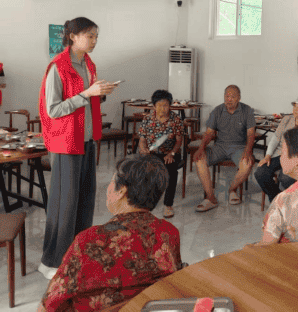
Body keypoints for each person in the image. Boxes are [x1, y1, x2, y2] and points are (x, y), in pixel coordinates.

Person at [38, 154, 182, 312]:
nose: (108, 188)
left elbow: (50, 303)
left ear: (121, 191)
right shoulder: (169, 232)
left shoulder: (90, 240)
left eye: (112, 182)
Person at [38, 17, 118, 279]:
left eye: (96, 36)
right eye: (90, 36)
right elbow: (53, 110)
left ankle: (77, 254)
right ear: (72, 36)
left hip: (87, 141)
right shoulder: (58, 67)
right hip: (66, 143)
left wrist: (99, 93)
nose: (94, 41)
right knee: (64, 204)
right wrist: (87, 94)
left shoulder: (88, 64)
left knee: (84, 201)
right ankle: (52, 262)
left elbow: (84, 102)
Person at [194, 85, 255, 212]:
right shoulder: (217, 110)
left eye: (233, 96)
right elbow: (209, 133)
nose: (229, 99)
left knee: (247, 163)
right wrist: (201, 148)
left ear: (239, 98)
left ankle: (232, 189)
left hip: (238, 148)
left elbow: (251, 134)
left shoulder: (247, 110)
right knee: (199, 159)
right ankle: (211, 198)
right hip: (220, 147)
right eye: (227, 96)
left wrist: (248, 151)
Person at [254, 94, 298, 203]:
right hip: (280, 154)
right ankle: (277, 199)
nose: (296, 110)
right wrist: (268, 155)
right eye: (295, 106)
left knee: (285, 178)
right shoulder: (287, 119)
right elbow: (275, 139)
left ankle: (293, 200)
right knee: (260, 173)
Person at [138, 89, 184, 219]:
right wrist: (143, 149)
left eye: (165, 105)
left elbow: (179, 141)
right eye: (159, 105)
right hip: (152, 153)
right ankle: (144, 203)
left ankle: (168, 205)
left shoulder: (176, 119)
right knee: (142, 169)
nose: (162, 108)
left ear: (170, 105)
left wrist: (172, 153)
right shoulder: (148, 119)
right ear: (154, 106)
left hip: (170, 153)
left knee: (171, 171)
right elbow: (142, 140)